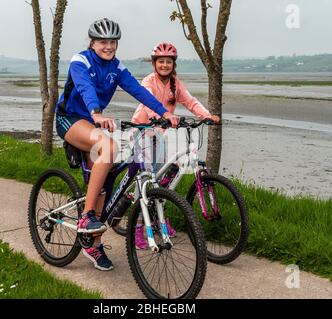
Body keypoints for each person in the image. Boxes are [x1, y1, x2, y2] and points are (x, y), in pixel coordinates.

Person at [55, 19, 179, 271]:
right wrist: (97, 112)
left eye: (113, 42)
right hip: (71, 119)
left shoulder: (116, 67)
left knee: (103, 185)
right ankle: (86, 218)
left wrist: (163, 113)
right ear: (92, 42)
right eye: (103, 42)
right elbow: (85, 87)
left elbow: (138, 91)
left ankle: (93, 244)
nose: (109, 46)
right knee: (109, 148)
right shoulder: (81, 61)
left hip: (92, 121)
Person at [131, 42, 220, 249]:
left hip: (160, 132)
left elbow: (190, 101)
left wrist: (206, 116)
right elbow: (147, 101)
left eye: (168, 62)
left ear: (173, 64)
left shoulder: (175, 84)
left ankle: (158, 215)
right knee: (145, 178)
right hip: (142, 129)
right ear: (154, 63)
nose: (164, 65)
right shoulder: (148, 81)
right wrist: (161, 116)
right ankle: (136, 227)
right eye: (160, 61)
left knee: (170, 171)